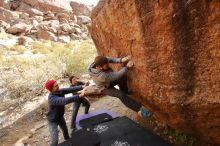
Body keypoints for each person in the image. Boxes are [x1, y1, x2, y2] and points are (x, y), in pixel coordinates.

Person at [44, 79, 85, 146]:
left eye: (57, 84)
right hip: (53, 120)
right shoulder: (51, 98)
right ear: (51, 89)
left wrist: (81, 87)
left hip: (60, 117)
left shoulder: (60, 91)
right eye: (55, 86)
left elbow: (70, 89)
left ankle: (69, 142)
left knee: (65, 131)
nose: (58, 86)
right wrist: (79, 96)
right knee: (55, 140)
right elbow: (64, 101)